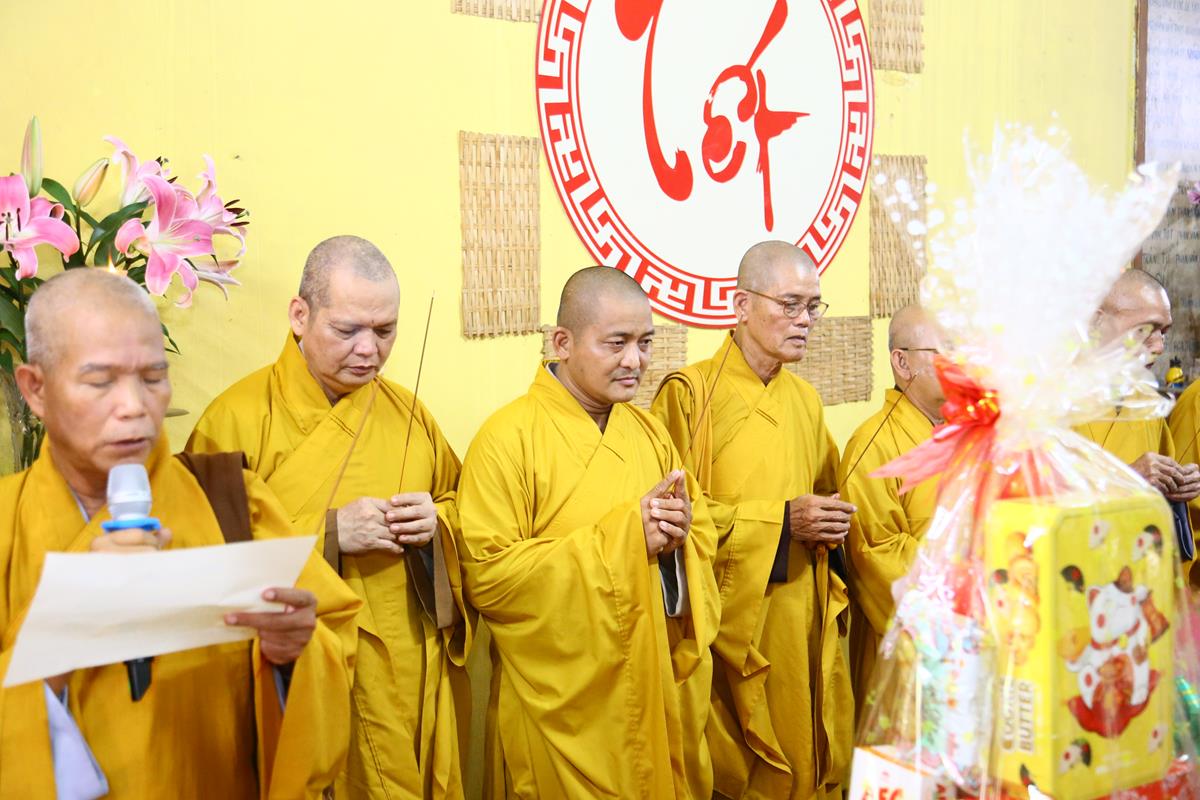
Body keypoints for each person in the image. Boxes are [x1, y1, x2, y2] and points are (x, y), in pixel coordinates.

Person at [0, 269, 359, 798]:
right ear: (35, 389)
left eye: (153, 377)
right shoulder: (6, 522)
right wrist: (63, 631)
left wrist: (292, 657)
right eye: (100, 382)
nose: (134, 406)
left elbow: (331, 653)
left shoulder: (233, 500)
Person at [187, 235, 471, 798]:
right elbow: (204, 567)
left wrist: (437, 521)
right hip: (303, 672)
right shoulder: (233, 420)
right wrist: (331, 533)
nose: (369, 350)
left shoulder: (409, 414)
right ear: (300, 315)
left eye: (385, 331)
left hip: (406, 672)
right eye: (348, 330)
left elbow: (465, 509)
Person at [456, 266, 720, 799]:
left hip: (647, 684)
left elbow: (700, 539)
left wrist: (680, 539)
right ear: (563, 342)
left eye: (645, 343)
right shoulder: (506, 438)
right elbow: (488, 578)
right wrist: (625, 540)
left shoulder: (649, 433)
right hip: (557, 702)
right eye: (616, 343)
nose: (635, 361)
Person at [652, 241, 853, 799]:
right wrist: (782, 522)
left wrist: (832, 520)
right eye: (790, 305)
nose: (805, 320)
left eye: (813, 307)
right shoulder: (689, 395)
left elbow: (825, 490)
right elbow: (676, 518)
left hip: (799, 613)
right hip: (727, 622)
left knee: (801, 753)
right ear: (741, 305)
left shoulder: (805, 400)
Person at [838, 304, 943, 719]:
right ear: (902, 362)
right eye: (943, 351)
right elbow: (876, 555)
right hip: (907, 653)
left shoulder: (965, 438)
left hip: (974, 642)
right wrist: (963, 576)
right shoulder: (873, 445)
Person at [1076, 270, 1200, 506]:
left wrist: (1182, 483)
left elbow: (1161, 491)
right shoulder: (1046, 400)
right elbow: (1025, 497)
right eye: (1145, 329)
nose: (1159, 347)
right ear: (1097, 324)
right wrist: (1125, 479)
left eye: (1164, 332)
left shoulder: (1146, 401)